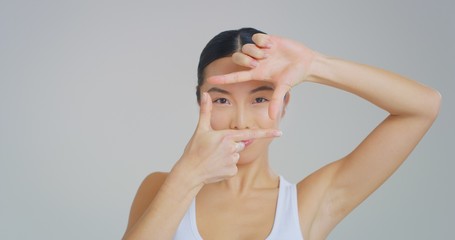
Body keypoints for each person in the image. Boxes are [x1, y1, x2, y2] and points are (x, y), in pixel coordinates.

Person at [122, 28, 441, 240]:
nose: (241, 121)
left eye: (260, 98)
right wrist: (187, 177)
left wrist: (317, 65)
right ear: (199, 100)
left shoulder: (306, 203)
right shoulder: (162, 188)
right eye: (222, 99)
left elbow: (423, 106)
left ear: (283, 103)